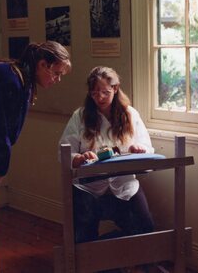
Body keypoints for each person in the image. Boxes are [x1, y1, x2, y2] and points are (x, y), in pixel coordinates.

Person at [59, 66, 154, 273]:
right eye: (94, 93)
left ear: (115, 88)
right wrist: (79, 158)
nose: (99, 97)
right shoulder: (81, 116)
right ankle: (99, 263)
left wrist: (140, 149)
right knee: (83, 236)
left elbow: (148, 148)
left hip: (124, 185)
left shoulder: (130, 114)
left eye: (105, 92)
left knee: (146, 229)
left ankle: (113, 261)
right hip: (90, 187)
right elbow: (64, 153)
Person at [0, 41, 71, 273]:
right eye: (56, 73)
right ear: (43, 65)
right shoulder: (11, 78)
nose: (57, 80)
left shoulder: (17, 77)